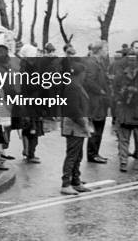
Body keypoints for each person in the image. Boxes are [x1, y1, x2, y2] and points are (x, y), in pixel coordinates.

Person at [60, 60, 94, 195]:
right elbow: (73, 110)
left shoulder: (76, 85)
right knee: (72, 155)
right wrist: (84, 124)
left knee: (78, 155)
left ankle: (76, 180)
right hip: (74, 127)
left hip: (78, 126)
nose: (85, 76)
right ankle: (66, 183)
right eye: (84, 73)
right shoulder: (73, 87)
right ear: (80, 74)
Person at [84, 41, 110, 164]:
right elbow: (89, 81)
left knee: (99, 129)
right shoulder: (92, 63)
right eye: (106, 49)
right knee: (96, 129)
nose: (107, 52)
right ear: (99, 50)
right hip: (95, 102)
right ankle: (92, 154)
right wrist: (101, 91)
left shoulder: (99, 62)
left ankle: (95, 153)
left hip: (100, 102)